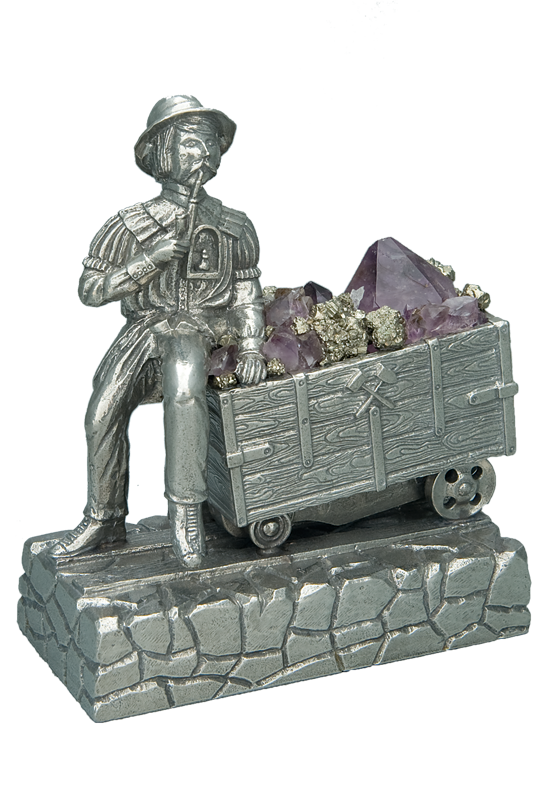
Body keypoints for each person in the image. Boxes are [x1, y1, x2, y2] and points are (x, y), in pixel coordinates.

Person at [49, 96, 266, 568]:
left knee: (185, 387)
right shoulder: (129, 226)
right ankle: (105, 517)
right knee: (101, 412)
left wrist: (251, 345)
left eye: (209, 144)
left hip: (206, 329)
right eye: (190, 143)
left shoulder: (234, 226)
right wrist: (150, 258)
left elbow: (247, 294)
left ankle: (186, 515)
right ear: (163, 152)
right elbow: (91, 289)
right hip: (146, 329)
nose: (203, 153)